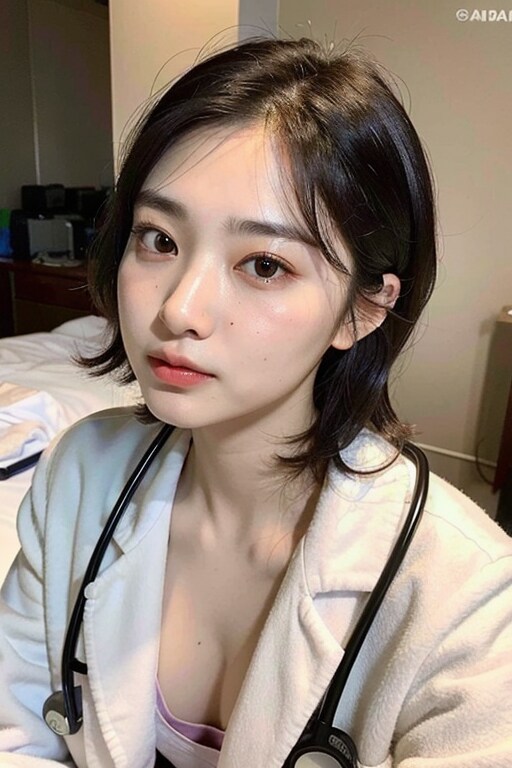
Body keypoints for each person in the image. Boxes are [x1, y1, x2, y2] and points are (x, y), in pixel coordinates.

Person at [0, 36, 511, 768]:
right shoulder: (80, 473)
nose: (179, 309)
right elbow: (15, 730)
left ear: (363, 309)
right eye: (159, 239)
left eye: (265, 264)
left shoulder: (470, 596)